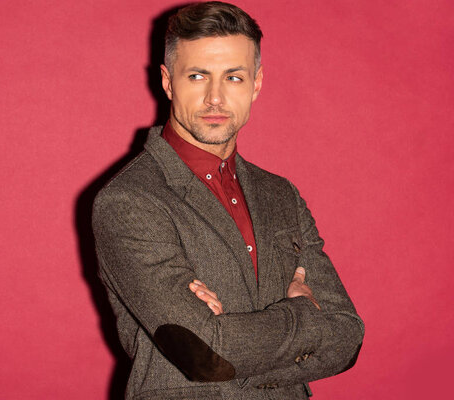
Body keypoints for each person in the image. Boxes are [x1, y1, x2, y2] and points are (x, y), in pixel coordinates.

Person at [92, 2, 364, 398]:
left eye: (233, 78)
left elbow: (347, 335)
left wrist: (233, 342)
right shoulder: (130, 201)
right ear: (169, 82)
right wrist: (304, 318)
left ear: (256, 83)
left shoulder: (281, 195)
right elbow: (204, 353)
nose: (215, 98)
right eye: (198, 76)